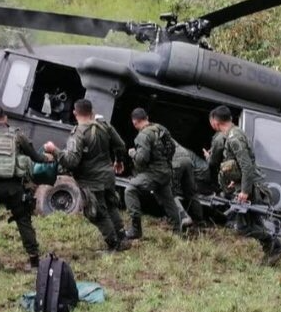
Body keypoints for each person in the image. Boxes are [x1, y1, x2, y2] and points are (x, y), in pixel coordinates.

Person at [0, 105, 53, 269]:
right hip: (15, 188)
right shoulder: (18, 136)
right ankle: (34, 260)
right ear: (5, 118)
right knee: (23, 220)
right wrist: (49, 158)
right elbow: (35, 157)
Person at [204, 105, 281, 266]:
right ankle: (272, 249)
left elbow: (247, 166)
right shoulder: (235, 133)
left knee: (242, 227)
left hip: (252, 188)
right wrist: (237, 180)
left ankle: (275, 245)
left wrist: (244, 191)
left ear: (215, 122)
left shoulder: (234, 139)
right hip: (249, 185)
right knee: (253, 222)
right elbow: (240, 166)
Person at [43, 99, 130, 252]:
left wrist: (53, 150)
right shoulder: (104, 125)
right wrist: (118, 160)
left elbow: (71, 161)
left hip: (92, 180)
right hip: (108, 176)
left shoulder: (79, 132)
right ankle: (123, 238)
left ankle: (114, 245)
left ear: (75, 113)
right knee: (111, 206)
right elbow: (121, 145)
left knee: (96, 213)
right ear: (92, 111)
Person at [123, 108, 185, 239]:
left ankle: (135, 229)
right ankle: (178, 232)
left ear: (135, 122)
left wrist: (132, 153)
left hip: (153, 174)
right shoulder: (161, 129)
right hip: (165, 172)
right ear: (147, 117)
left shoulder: (143, 135)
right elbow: (172, 148)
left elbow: (142, 159)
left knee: (130, 190)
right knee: (169, 202)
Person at [172, 140, 204, 222]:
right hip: (187, 158)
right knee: (191, 193)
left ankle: (183, 217)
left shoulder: (146, 135)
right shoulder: (163, 131)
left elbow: (143, 157)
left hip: (175, 160)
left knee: (169, 192)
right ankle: (199, 219)